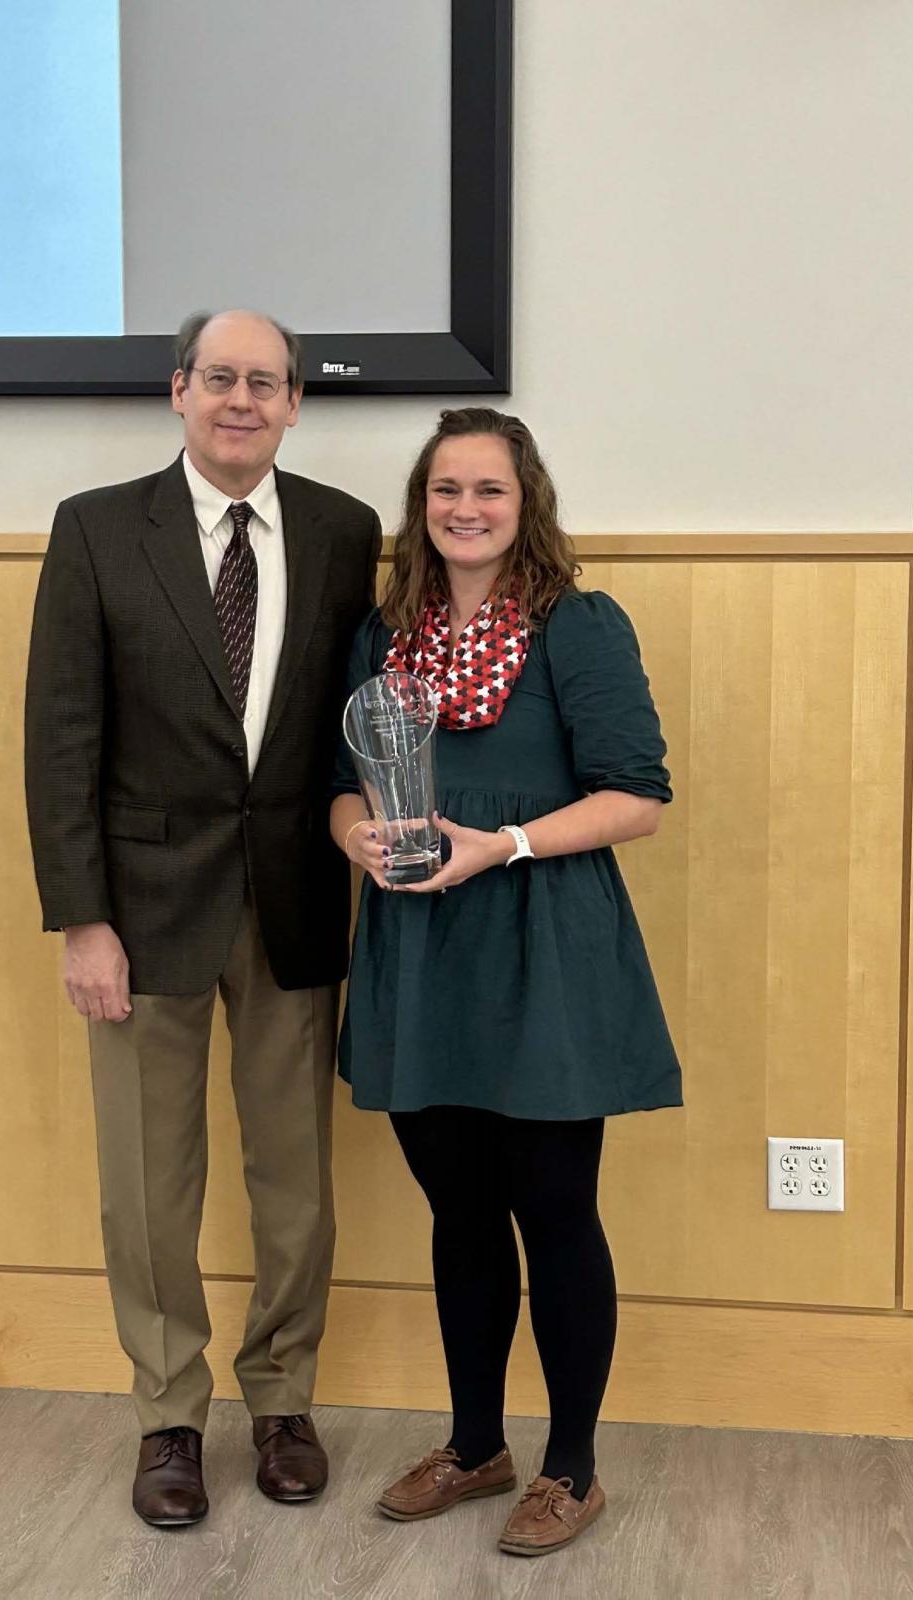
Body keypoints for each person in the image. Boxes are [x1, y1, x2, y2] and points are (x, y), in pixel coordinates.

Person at [25, 310, 382, 1529]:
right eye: (219, 377)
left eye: (265, 382)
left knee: (295, 1182)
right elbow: (61, 734)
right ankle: (168, 1415)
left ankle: (283, 1397)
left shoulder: (343, 530)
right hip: (141, 913)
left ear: (295, 405)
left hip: (292, 903)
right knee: (145, 1185)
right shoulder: (94, 528)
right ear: (178, 391)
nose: (242, 399)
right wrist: (82, 919)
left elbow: (355, 718)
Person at [330, 406, 681, 1559]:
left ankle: (570, 1465)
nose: (465, 510)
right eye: (445, 492)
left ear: (526, 503)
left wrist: (506, 844)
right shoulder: (387, 633)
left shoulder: (577, 624)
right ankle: (476, 1445)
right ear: (419, 509)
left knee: (556, 1212)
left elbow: (639, 794)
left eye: (489, 490)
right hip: (418, 952)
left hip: (543, 946)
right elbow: (341, 786)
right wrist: (354, 840)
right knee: (461, 1211)